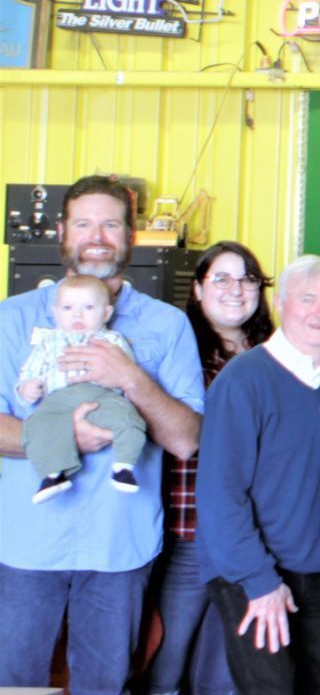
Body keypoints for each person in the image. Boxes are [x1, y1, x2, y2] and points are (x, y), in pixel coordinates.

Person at [0, 175, 204, 694]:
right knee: (16, 683)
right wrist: (59, 435)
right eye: (85, 223)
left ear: (131, 237)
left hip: (120, 546)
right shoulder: (12, 320)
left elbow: (186, 439)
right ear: (63, 232)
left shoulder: (167, 325)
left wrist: (130, 378)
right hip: (26, 545)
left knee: (104, 686)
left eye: (111, 224)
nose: (98, 236)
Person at [196, 256, 320, 694]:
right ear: (283, 304)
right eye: (308, 300)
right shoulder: (245, 380)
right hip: (253, 573)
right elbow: (219, 493)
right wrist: (259, 581)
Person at [149, 241, 269, 695]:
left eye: (247, 278)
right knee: (167, 657)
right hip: (190, 532)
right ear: (198, 290)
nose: (236, 288)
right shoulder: (179, 353)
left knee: (230, 668)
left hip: (252, 537)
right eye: (221, 278)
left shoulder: (275, 352)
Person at [16, 275, 148, 501]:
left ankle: (124, 466)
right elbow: (30, 371)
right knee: (36, 425)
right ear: (56, 314)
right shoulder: (50, 342)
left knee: (128, 418)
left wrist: (124, 385)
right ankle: (53, 474)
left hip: (102, 397)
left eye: (88, 307)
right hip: (58, 400)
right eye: (68, 308)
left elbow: (127, 374)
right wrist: (28, 387)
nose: (77, 314)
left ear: (106, 314)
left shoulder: (112, 340)